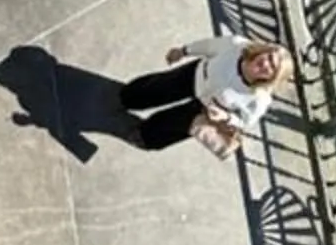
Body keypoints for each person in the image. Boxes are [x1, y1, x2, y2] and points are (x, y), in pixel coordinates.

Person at [120, 34, 289, 155]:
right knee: (157, 87)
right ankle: (129, 97)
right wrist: (184, 51)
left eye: (273, 68)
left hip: (208, 108)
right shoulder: (237, 46)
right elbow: (208, 46)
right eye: (269, 56)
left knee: (173, 125)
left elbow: (245, 122)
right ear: (264, 50)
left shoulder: (260, 99)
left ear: (271, 78)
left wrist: (226, 118)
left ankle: (146, 136)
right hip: (193, 76)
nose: (266, 63)